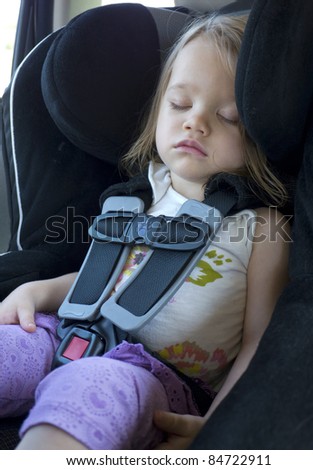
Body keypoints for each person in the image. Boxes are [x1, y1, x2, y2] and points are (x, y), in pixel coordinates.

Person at [0, 14, 290, 450]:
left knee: (87, 392)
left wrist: (221, 426)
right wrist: (37, 292)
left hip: (155, 379)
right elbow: (100, 281)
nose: (195, 122)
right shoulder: (135, 198)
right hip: (68, 333)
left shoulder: (263, 228)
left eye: (227, 116)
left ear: (258, 132)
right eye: (178, 105)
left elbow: (260, 344)